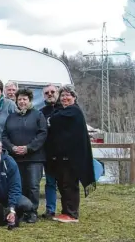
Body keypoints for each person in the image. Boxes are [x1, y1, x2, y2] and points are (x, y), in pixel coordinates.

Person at [45, 85, 96, 223]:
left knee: (69, 184)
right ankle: (66, 211)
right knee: (62, 184)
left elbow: (54, 120)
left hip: (72, 158)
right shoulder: (63, 112)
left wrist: (51, 119)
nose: (65, 98)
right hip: (62, 157)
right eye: (62, 96)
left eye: (68, 95)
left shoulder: (74, 112)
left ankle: (72, 214)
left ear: (74, 97)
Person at [1, 88, 47, 223]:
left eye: (24, 99)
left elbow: (42, 134)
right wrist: (11, 147)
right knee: (18, 186)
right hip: (15, 158)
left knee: (32, 186)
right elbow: (4, 135)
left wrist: (28, 148)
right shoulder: (11, 117)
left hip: (34, 158)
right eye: (19, 99)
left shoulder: (38, 115)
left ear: (29, 100)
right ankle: (20, 211)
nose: (22, 101)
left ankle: (32, 212)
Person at [39, 83, 60, 219]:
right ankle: (50, 210)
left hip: (64, 154)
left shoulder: (64, 109)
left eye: (52, 91)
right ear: (43, 96)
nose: (50, 94)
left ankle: (69, 210)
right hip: (48, 154)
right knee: (50, 183)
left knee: (65, 184)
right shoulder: (41, 112)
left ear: (57, 93)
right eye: (47, 93)